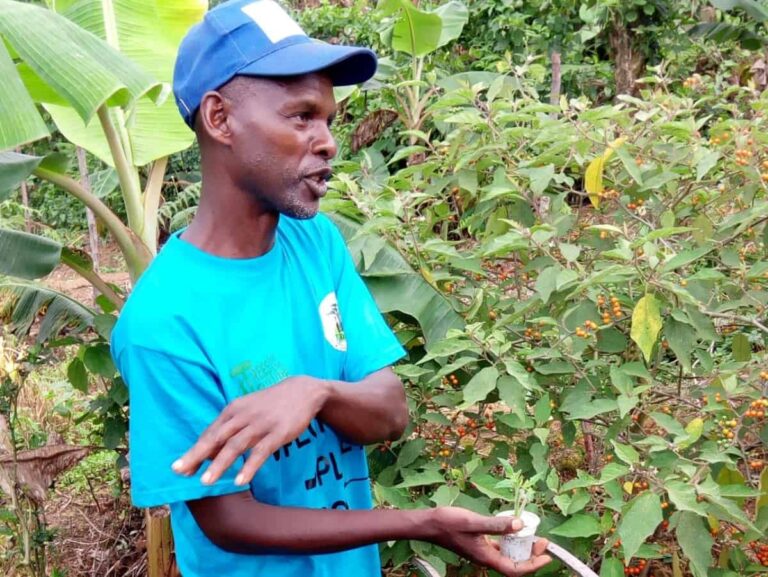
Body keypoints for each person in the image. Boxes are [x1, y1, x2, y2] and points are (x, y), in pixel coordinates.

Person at [111, 1, 552, 576]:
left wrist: (316, 393)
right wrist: (422, 524)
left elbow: (390, 411)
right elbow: (230, 521)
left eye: (329, 121)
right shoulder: (162, 322)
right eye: (301, 117)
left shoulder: (314, 244)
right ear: (220, 120)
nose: (327, 143)